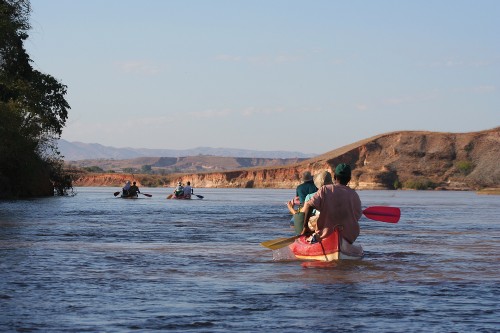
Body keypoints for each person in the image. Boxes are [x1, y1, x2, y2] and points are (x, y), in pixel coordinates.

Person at [301, 163, 362, 248]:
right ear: (349, 179)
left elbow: (310, 205)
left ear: (335, 177)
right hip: (348, 237)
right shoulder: (354, 195)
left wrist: (305, 227)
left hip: (325, 234)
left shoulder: (325, 190)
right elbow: (357, 216)